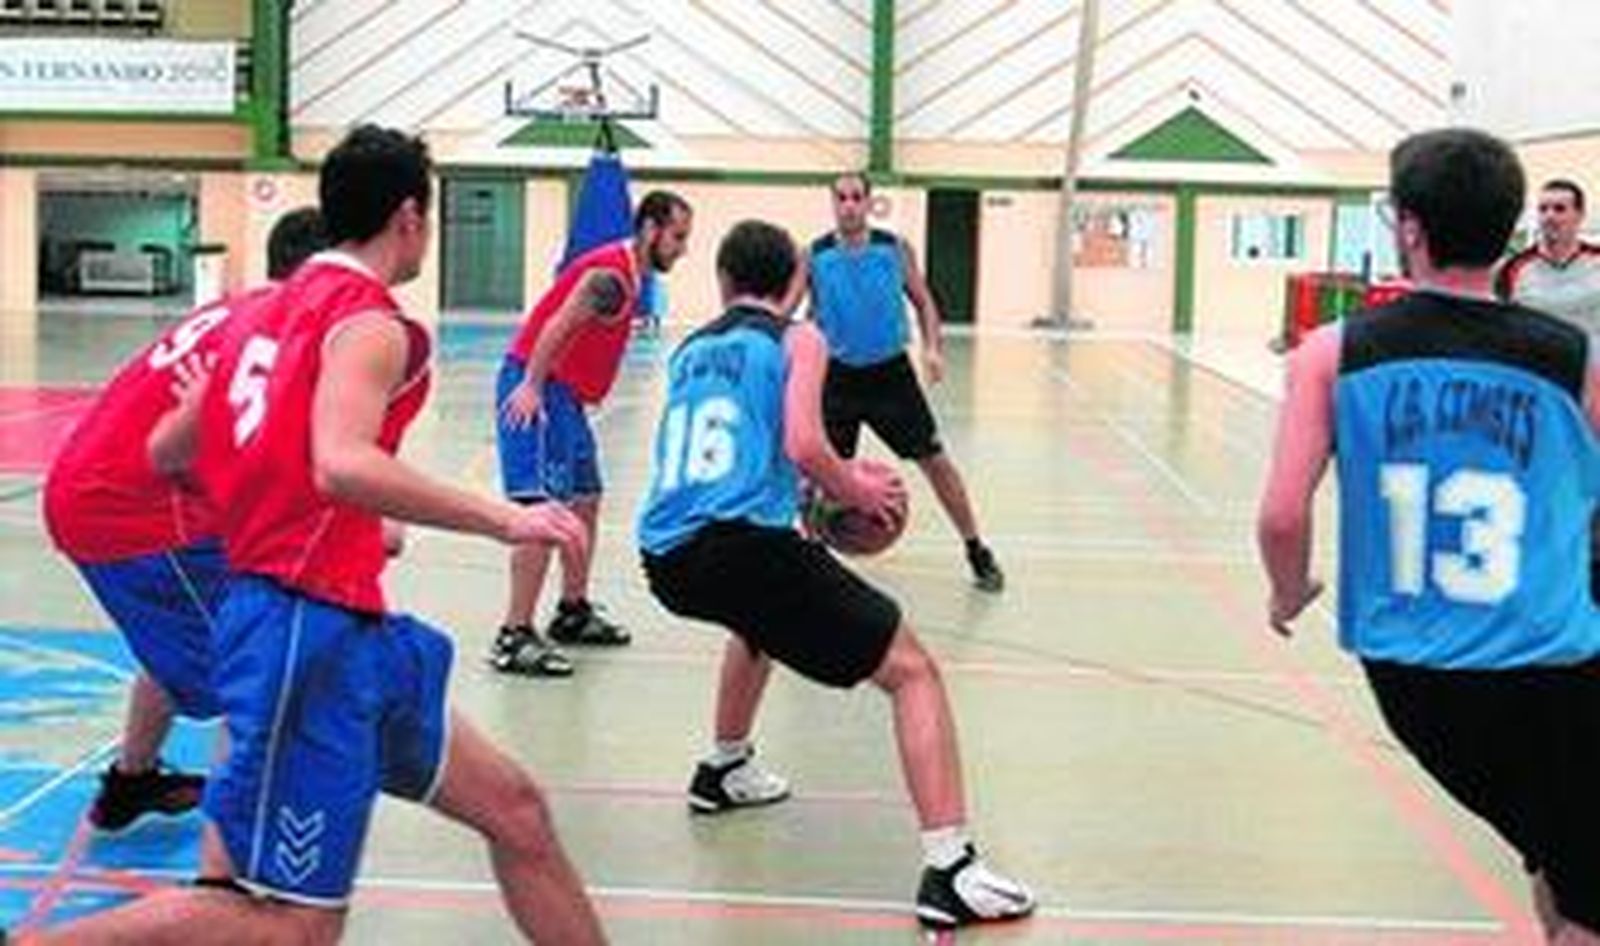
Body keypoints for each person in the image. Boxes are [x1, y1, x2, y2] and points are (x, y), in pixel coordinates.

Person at [24, 126, 605, 945]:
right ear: (410, 217)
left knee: (518, 813)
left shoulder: (256, 315)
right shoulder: (371, 323)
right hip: (305, 632)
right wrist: (505, 517)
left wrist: (253, 468)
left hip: (349, 627)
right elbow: (341, 464)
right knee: (293, 927)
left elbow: (168, 452)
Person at [638, 219, 1035, 930]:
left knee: (755, 621)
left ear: (723, 283)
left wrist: (803, 509)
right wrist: (856, 491)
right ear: (794, 283)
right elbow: (803, 441)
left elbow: (737, 456)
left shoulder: (691, 350)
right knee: (913, 671)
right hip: (741, 549)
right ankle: (952, 868)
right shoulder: (798, 338)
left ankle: (723, 768)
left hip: (665, 557)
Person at [1259, 128, 1600, 946]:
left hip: (1411, 674)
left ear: (1408, 226)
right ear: (1511, 225)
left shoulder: (1332, 353)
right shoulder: (1571, 357)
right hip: (1546, 660)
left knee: (1554, 847)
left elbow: (1280, 515)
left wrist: (1289, 587)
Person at [40, 207, 326, 834]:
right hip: (134, 510)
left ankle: (132, 782)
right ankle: (236, 850)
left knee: (190, 626)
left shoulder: (239, 310)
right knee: (255, 656)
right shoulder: (277, 334)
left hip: (103, 491)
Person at [489, 190, 693, 676]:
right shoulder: (612, 278)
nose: (682, 248)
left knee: (585, 498)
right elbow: (558, 325)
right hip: (540, 387)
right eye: (678, 236)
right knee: (542, 509)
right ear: (650, 230)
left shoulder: (631, 275)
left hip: (568, 398)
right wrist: (532, 386)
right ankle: (513, 633)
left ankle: (572, 610)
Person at [782, 173, 1004, 592]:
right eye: (841, 198)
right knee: (814, 475)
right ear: (833, 203)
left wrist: (933, 348)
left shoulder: (894, 248)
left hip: (890, 376)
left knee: (937, 462)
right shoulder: (814, 254)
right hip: (837, 379)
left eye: (856, 197)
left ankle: (977, 549)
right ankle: (811, 562)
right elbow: (789, 309)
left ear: (868, 202)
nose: (848, 205)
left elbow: (923, 301)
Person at [1495, 178, 1600, 336]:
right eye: (1543, 209)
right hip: (1537, 359)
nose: (1549, 216)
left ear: (1580, 215)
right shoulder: (1512, 269)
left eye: (1559, 209)